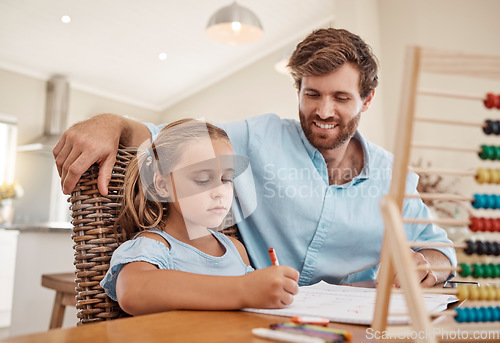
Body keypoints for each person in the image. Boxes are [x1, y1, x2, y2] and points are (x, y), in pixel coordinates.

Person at [54, 28, 457, 288]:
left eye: (341, 97)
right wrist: (112, 123)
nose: (324, 111)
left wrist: (425, 265)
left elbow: (441, 252)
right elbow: (169, 140)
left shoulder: (393, 175)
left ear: (366, 100)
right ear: (297, 90)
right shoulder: (256, 136)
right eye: (312, 94)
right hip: (262, 320)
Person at [99, 119, 299, 315]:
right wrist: (243, 289)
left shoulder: (235, 248)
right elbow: (134, 292)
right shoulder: (154, 247)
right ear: (163, 185)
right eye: (203, 179)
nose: (220, 191)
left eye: (226, 179)